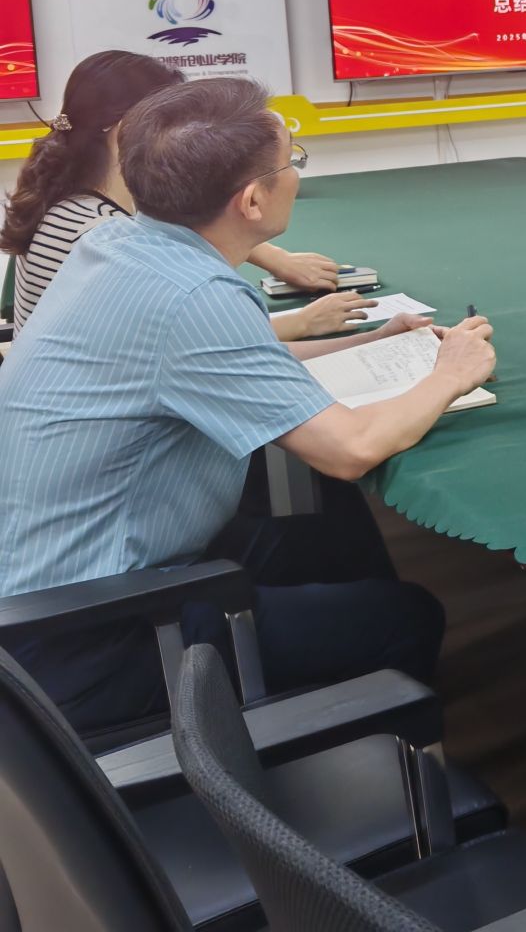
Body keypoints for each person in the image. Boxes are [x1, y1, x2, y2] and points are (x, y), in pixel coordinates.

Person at [0, 77, 496, 734]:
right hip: (91, 636)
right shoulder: (194, 294)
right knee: (408, 618)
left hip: (52, 586)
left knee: (329, 525)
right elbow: (350, 449)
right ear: (253, 200)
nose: (296, 174)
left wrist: (370, 340)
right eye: (292, 161)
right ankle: (369, 772)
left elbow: (223, 358)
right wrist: (451, 374)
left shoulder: (119, 246)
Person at [2, 50, 357, 335]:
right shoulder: (105, 240)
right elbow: (197, 343)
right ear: (127, 131)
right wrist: (302, 323)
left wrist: (274, 257)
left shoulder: (69, 199)